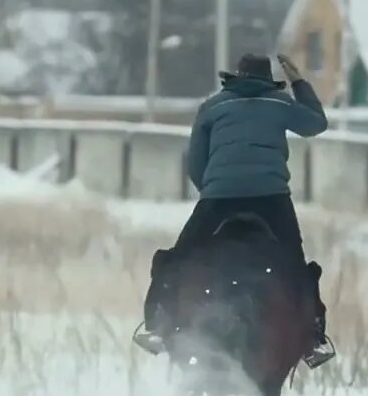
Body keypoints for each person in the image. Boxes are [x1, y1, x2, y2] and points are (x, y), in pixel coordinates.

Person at [133, 52, 335, 369]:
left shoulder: (212, 107)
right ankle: (313, 339)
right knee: (297, 267)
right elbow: (316, 124)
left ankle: (158, 325)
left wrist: (213, 189)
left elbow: (196, 163)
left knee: (175, 259)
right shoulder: (280, 103)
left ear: (234, 77)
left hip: (219, 198)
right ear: (268, 82)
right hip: (271, 199)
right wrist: (299, 83)